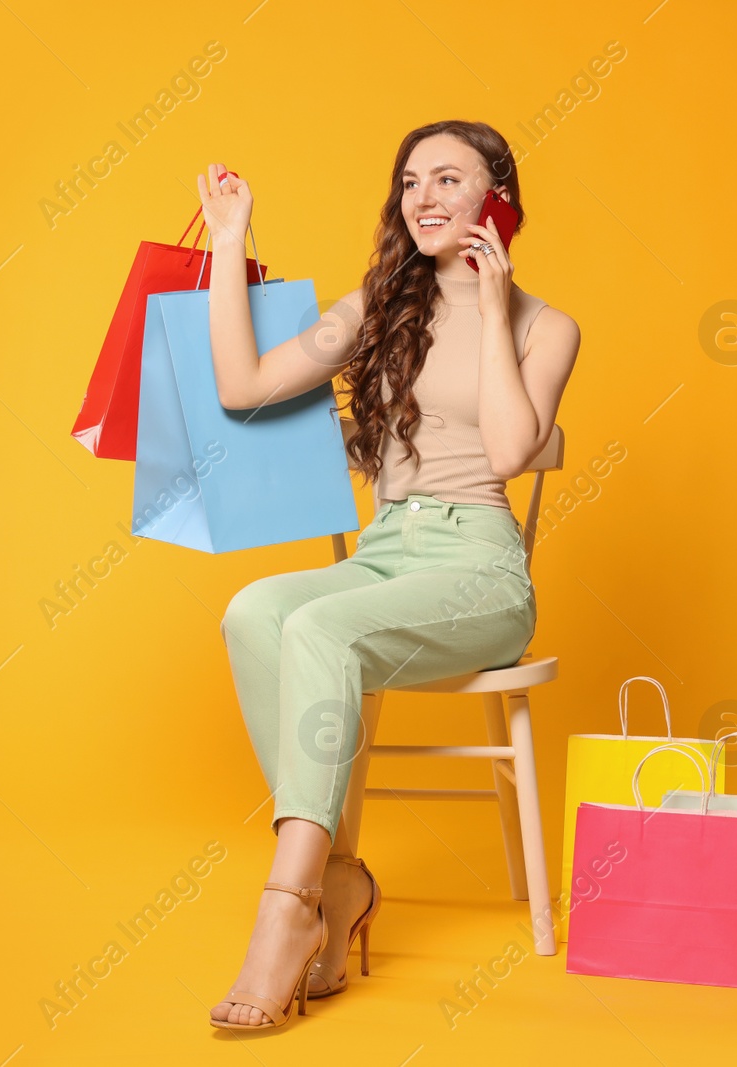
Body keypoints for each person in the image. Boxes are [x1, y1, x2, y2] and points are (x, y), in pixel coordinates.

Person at [194, 119, 581, 1030]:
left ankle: (288, 906)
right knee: (255, 611)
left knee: (322, 631)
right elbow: (243, 387)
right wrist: (228, 240)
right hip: (387, 553)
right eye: (411, 182)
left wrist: (490, 309)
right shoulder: (377, 305)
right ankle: (339, 875)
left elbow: (515, 447)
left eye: (450, 178)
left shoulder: (547, 326)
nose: (424, 198)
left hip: (480, 572)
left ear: (499, 197)